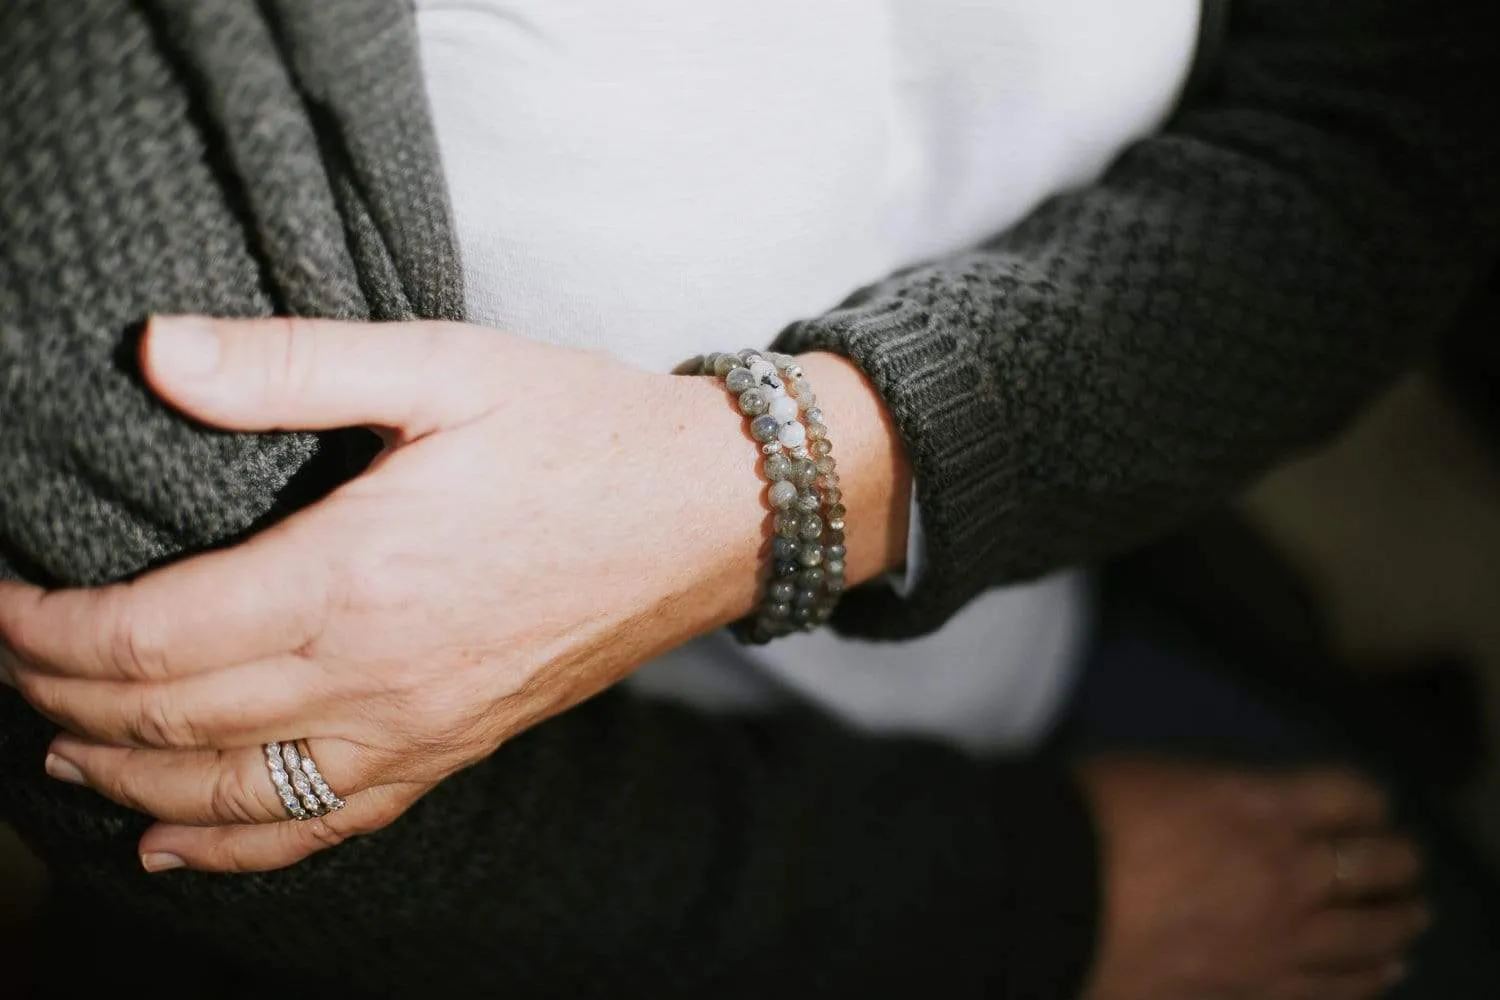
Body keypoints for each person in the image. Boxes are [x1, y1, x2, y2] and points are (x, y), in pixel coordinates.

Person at [0, 0, 1494, 996]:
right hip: (700, 900)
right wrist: (1052, 897)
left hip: (1097, 585)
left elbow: (1391, 137)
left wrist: (778, 480)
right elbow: (236, 810)